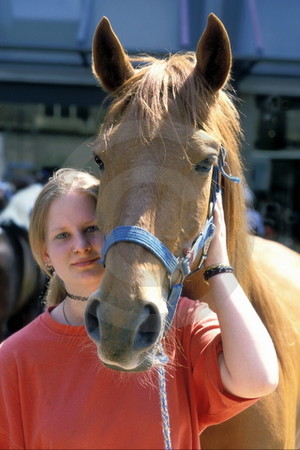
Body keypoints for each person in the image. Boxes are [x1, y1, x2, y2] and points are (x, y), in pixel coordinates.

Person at [0, 168, 278, 449]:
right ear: (45, 253)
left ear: (119, 233)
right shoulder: (13, 359)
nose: (81, 246)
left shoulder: (173, 322)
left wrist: (218, 265)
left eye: (92, 229)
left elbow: (259, 379)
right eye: (62, 236)